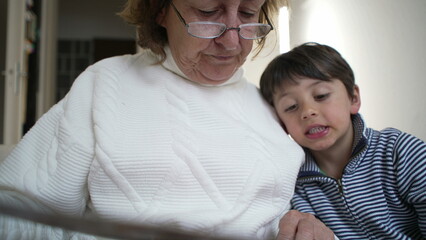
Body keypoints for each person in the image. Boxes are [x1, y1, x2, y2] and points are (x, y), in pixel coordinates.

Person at [0, 1, 333, 239]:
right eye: (207, 13)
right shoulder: (106, 83)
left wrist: (303, 224)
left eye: (247, 14)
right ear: (160, 10)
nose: (232, 41)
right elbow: (20, 207)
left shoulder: (272, 105)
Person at [259, 42, 426, 239]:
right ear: (280, 122)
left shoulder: (401, 151)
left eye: (321, 95)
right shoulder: (292, 182)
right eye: (291, 106)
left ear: (353, 98)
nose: (307, 111)